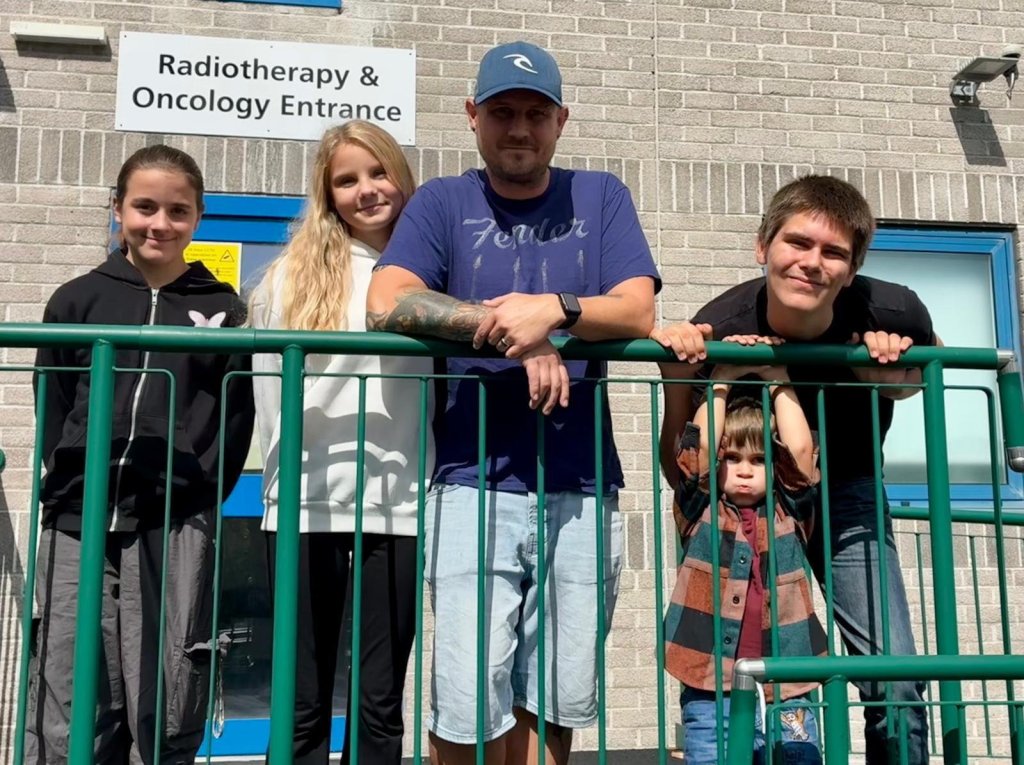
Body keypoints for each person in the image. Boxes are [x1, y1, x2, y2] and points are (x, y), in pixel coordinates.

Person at [366, 41, 660, 765]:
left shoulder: (601, 195)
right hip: (470, 481)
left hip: (582, 481)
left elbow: (637, 309)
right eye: (502, 112)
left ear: (561, 120)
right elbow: (387, 299)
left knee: (557, 693)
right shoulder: (442, 200)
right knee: (465, 689)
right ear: (472, 117)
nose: (519, 128)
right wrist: (516, 334)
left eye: (535, 113)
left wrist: (553, 309)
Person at [653, 175, 938, 764]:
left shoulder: (892, 308)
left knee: (898, 678)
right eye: (797, 243)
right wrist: (681, 384)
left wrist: (894, 378)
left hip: (848, 496)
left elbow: (923, 375)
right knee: (728, 671)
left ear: (853, 268)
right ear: (763, 246)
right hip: (756, 509)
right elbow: (682, 469)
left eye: (833, 252)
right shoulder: (724, 325)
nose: (812, 263)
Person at [26, 144, 255, 764]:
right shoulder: (77, 301)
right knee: (73, 680)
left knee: (166, 685)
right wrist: (73, 476)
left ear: (198, 217)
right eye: (145, 207)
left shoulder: (223, 308)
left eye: (177, 211)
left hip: (173, 522)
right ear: (118, 208)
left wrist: (199, 492)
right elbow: (55, 404)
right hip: (77, 522)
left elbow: (235, 418)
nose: (160, 223)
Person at [248, 120, 433, 764]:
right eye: (347, 180)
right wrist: (278, 489)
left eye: (379, 172)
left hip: (401, 503)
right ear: (328, 195)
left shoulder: (432, 268)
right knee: (302, 701)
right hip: (306, 501)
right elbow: (269, 395)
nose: (367, 190)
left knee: (381, 704)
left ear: (402, 178)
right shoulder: (289, 276)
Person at [664, 358, 826, 765]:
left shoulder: (788, 511)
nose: (744, 472)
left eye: (758, 461)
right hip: (709, 680)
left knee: (799, 758)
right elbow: (698, 451)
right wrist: (722, 380)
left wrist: (778, 379)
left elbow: (802, 456)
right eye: (732, 458)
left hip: (788, 678)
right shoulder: (699, 511)